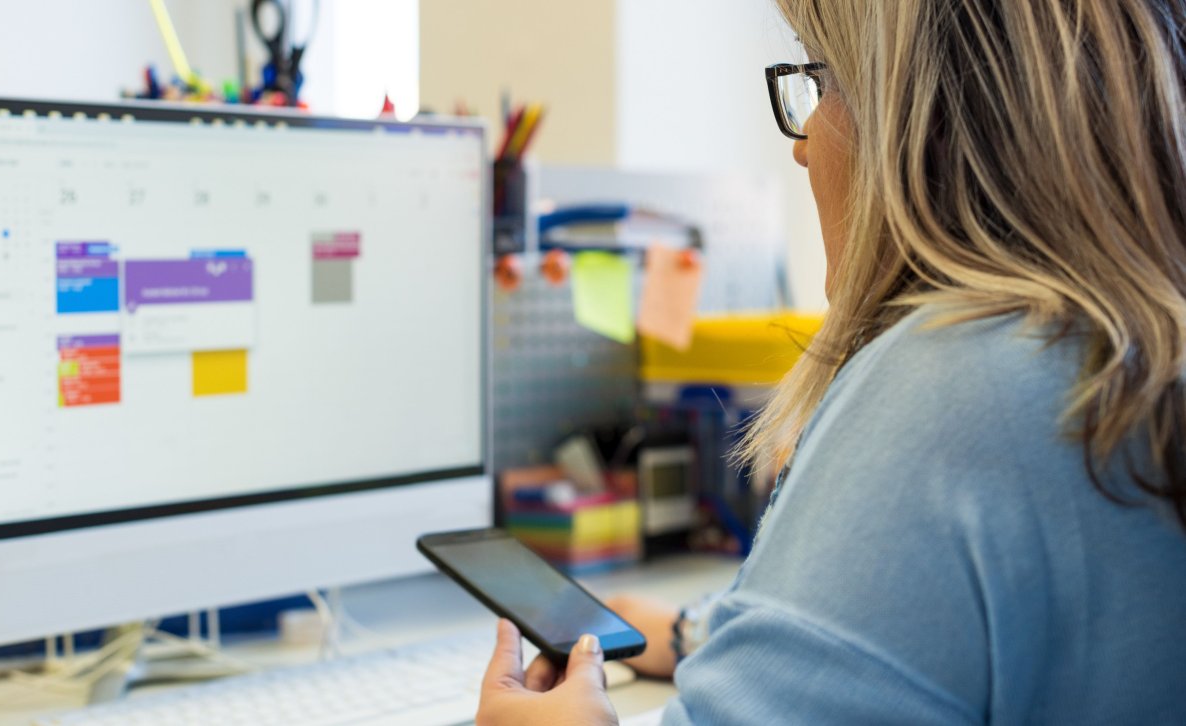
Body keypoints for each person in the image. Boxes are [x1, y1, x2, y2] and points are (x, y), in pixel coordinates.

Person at [475, 0, 1186, 723]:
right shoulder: (1123, 350)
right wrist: (705, 631)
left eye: (823, 80)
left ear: (919, 117)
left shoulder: (954, 379)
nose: (804, 144)